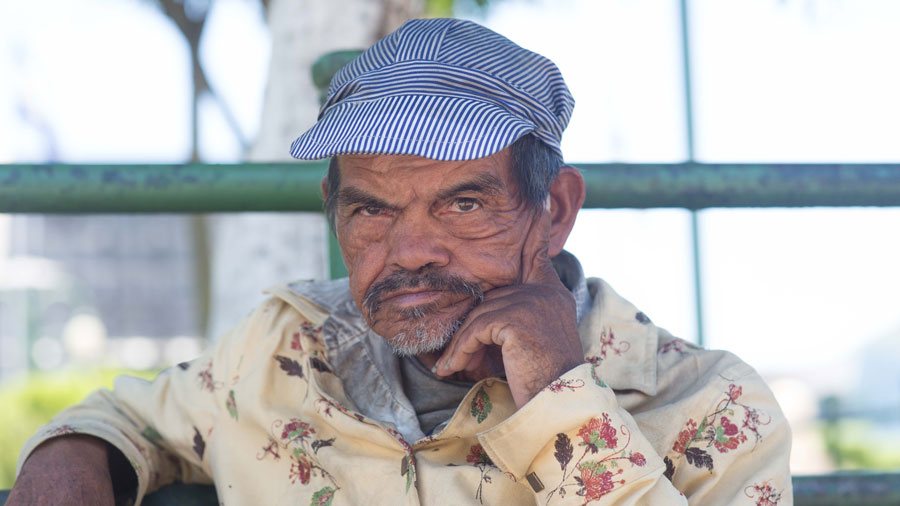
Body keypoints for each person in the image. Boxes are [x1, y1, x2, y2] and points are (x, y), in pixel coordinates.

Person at [8, 18, 792, 506]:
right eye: (372, 211)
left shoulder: (709, 408)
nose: (409, 252)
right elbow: (138, 415)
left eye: (463, 204)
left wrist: (561, 396)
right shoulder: (282, 349)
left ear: (553, 209)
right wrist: (73, 453)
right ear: (335, 210)